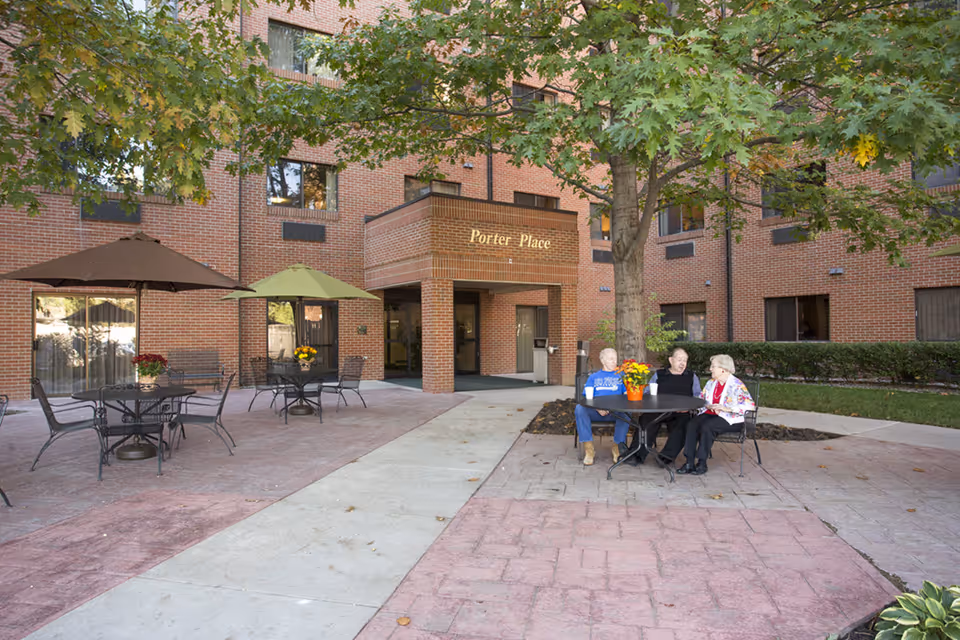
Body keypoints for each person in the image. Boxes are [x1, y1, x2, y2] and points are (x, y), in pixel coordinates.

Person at [677, 354, 755, 476]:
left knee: (708, 426)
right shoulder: (711, 383)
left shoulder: (736, 385)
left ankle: (702, 462)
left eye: (713, 366)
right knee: (692, 424)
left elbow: (749, 405)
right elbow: (701, 399)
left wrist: (726, 408)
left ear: (723, 369)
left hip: (731, 419)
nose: (710, 369)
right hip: (710, 414)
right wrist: (707, 405)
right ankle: (689, 462)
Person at [625, 347, 701, 465]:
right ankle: (636, 455)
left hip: (681, 412)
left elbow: (698, 397)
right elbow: (647, 392)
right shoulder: (659, 374)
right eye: (679, 359)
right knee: (645, 420)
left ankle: (666, 457)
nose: (682, 363)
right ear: (671, 360)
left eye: (685, 361)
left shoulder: (691, 376)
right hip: (658, 409)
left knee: (684, 425)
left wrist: (690, 407)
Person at [575, 348, 631, 466]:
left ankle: (617, 447)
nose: (614, 361)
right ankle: (589, 450)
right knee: (580, 409)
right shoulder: (594, 377)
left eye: (615, 359)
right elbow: (587, 398)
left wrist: (614, 407)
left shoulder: (622, 376)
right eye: (611, 359)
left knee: (627, 412)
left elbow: (627, 396)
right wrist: (598, 408)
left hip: (616, 412)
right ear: (602, 360)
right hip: (597, 412)